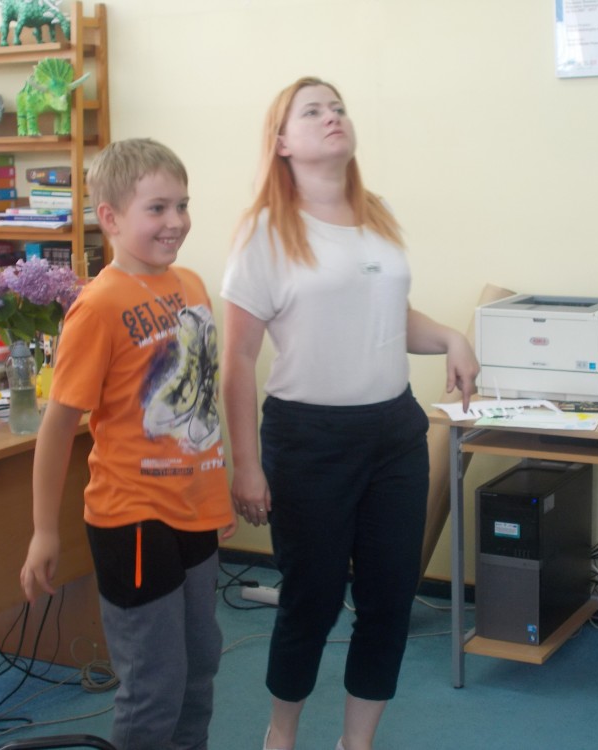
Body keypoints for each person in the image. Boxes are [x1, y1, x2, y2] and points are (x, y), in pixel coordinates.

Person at [220, 77, 479, 750]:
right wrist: (245, 465)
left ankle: (355, 743)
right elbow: (238, 360)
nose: (332, 116)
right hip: (308, 440)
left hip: (393, 434)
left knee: (389, 601)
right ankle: (281, 735)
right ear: (282, 142)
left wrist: (451, 337)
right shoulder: (266, 231)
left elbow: (390, 316)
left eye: (338, 108)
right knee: (310, 602)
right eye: (313, 111)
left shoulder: (377, 215)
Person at [20, 138, 235, 750]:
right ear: (110, 217)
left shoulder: (191, 284)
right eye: (157, 208)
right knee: (154, 685)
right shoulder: (99, 306)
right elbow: (58, 426)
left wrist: (215, 495)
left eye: (182, 205)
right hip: (133, 519)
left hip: (194, 511)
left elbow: (201, 399)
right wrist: (44, 530)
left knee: (200, 670)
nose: (176, 221)